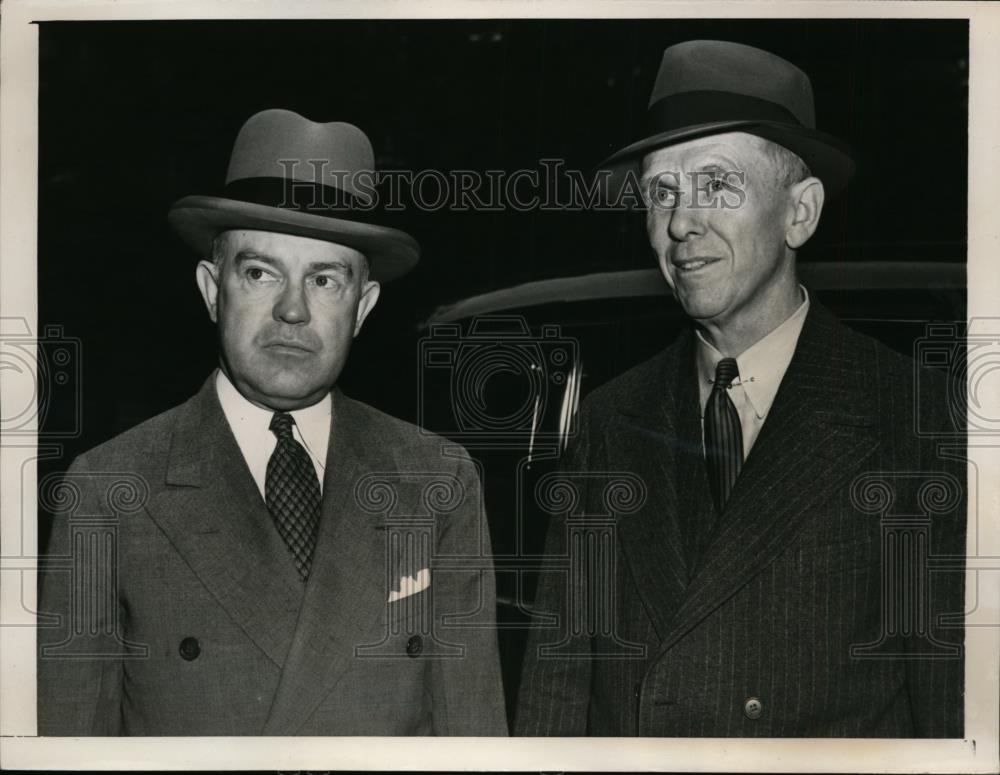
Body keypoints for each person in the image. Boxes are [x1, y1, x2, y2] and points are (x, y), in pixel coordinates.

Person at [515, 40, 965, 737]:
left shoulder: (919, 420)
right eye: (662, 193)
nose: (679, 223)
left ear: (800, 213)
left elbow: (953, 720)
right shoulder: (609, 421)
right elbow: (556, 694)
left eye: (717, 184)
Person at [37, 109, 507, 736]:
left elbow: (471, 737)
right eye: (260, 273)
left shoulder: (438, 482)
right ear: (213, 290)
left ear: (362, 308)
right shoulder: (109, 490)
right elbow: (70, 748)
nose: (292, 310)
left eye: (325, 280)